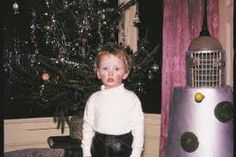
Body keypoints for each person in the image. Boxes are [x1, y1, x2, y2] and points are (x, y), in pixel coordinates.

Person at [81, 43, 144, 157]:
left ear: (125, 73)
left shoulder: (132, 99)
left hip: (123, 148)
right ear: (99, 73)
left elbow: (138, 130)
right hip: (98, 147)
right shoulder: (94, 99)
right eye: (105, 68)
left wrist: (136, 154)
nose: (110, 73)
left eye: (116, 68)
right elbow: (88, 127)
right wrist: (86, 152)